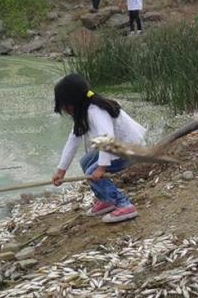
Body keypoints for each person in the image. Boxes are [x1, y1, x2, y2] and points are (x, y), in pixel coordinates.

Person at [52, 73, 145, 223]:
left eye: (64, 105)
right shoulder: (82, 113)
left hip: (129, 149)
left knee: (91, 172)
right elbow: (73, 141)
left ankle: (124, 204)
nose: (64, 109)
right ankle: (106, 199)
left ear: (73, 102)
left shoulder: (96, 111)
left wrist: (101, 168)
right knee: (85, 162)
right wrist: (61, 171)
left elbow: (107, 138)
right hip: (115, 147)